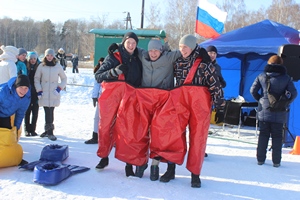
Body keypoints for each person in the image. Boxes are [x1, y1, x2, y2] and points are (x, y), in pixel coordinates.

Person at [172, 34, 224, 188]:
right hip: (181, 105)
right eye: (180, 47)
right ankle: (171, 168)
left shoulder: (204, 64)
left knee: (198, 139)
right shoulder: (177, 62)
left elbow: (215, 85)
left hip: (200, 107)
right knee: (174, 136)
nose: (182, 50)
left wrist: (220, 107)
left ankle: (195, 174)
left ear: (193, 47)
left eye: (185, 47)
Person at [95, 32, 142, 177]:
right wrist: (114, 71)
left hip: (130, 97)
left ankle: (128, 163)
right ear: (124, 43)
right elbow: (98, 76)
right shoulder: (113, 57)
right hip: (111, 98)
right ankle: (104, 157)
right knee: (106, 127)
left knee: (128, 129)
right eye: (129, 42)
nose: (131, 45)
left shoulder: (138, 59)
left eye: (134, 43)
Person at [250, 55, 297, 167]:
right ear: (281, 64)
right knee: (277, 137)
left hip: (264, 110)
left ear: (269, 63)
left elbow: (253, 91)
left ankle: (260, 159)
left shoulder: (261, 76)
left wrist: (261, 100)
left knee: (263, 135)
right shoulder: (286, 78)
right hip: (280, 111)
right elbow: (294, 93)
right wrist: (285, 102)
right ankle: (276, 162)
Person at [34, 48, 67, 141]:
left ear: (54, 56)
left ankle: (50, 131)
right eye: (48, 55)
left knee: (50, 111)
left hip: (53, 93)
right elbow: (36, 79)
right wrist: (39, 90)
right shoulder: (41, 66)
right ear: (45, 56)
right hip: (44, 92)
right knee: (46, 111)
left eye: (51, 55)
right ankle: (47, 130)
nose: (49, 57)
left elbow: (64, 79)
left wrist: (59, 88)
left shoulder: (58, 66)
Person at [0, 75, 31, 167]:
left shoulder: (26, 98)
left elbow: (20, 114)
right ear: (16, 86)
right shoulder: (3, 91)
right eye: (21, 87)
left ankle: (10, 157)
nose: (23, 91)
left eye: (26, 88)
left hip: (6, 116)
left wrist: (16, 129)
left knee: (8, 136)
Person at [85, 57, 104, 144]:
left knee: (110, 119)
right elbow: (96, 85)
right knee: (97, 117)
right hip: (101, 98)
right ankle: (95, 136)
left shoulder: (110, 72)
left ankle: (112, 138)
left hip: (109, 98)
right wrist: (94, 96)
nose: (101, 64)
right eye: (100, 62)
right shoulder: (98, 72)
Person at [24, 51, 41, 136]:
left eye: (34, 59)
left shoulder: (39, 67)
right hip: (27, 92)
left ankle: (33, 129)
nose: (33, 60)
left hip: (36, 92)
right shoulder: (25, 67)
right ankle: (27, 129)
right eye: (31, 59)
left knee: (35, 112)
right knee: (27, 112)